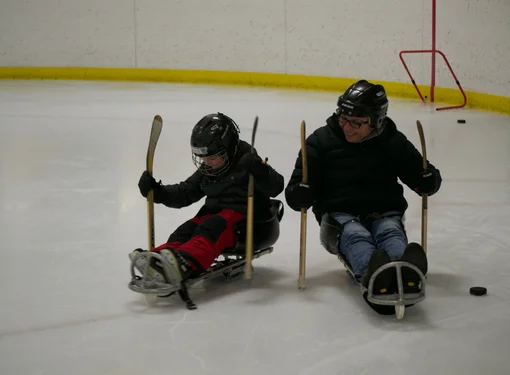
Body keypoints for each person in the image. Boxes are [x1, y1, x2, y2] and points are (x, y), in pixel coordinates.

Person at [284, 80, 442, 312]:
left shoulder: (393, 142)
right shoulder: (320, 142)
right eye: (343, 120)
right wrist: (300, 193)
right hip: (339, 218)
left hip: (385, 210)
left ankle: (404, 270)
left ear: (377, 121)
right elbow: (296, 191)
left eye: (357, 123)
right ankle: (375, 275)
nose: (348, 128)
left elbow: (422, 177)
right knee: (356, 235)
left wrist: (427, 179)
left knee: (390, 230)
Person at [131, 112, 284, 287]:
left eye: (211, 157)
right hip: (219, 216)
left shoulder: (249, 163)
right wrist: (157, 192)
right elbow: (186, 192)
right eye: (203, 158)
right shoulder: (210, 169)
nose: (206, 162)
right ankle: (160, 259)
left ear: (228, 148)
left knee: (213, 227)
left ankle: (184, 263)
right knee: (188, 228)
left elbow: (277, 186)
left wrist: (260, 170)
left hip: (251, 222)